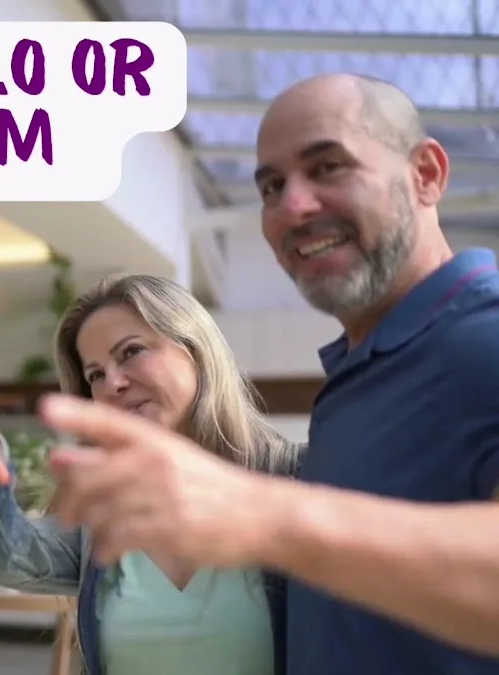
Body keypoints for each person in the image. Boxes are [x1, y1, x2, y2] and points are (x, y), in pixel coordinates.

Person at [39, 73, 499, 675]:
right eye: (271, 186)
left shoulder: (485, 335)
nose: (294, 207)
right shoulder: (351, 382)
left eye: (328, 166)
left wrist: (263, 515)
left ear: (427, 174)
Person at [0, 273, 304, 675]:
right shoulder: (103, 515)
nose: (113, 383)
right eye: (95, 375)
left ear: (194, 348)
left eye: (131, 352)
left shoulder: (298, 478)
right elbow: (1, 556)